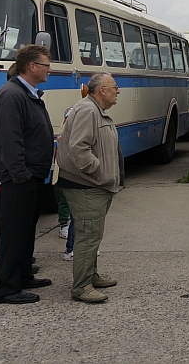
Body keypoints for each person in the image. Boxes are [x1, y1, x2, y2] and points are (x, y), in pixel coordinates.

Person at [0, 46, 54, 304]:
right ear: (32, 67)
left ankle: (23, 274)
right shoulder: (11, 95)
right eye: (46, 64)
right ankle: (5, 288)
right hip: (21, 178)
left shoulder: (27, 94)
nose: (50, 68)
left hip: (34, 175)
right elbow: (10, 140)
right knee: (14, 231)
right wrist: (20, 175)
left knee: (26, 229)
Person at [56, 72, 124, 303]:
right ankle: (81, 287)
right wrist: (98, 172)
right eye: (114, 86)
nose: (118, 91)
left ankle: (90, 276)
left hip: (93, 185)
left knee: (92, 234)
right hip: (85, 185)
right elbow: (79, 149)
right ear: (101, 90)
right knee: (87, 235)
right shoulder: (87, 110)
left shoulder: (95, 110)